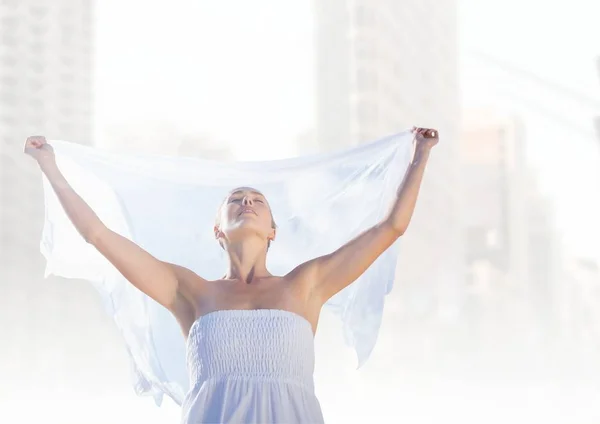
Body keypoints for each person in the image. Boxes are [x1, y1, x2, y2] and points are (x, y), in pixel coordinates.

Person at [24, 126, 439, 424]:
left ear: (273, 230)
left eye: (257, 199)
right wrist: (51, 167)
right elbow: (98, 236)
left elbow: (390, 229)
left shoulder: (306, 283)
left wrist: (420, 156)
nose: (247, 202)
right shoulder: (189, 291)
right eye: (235, 200)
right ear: (218, 229)